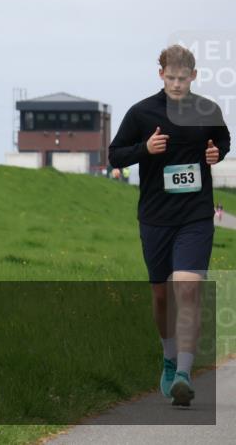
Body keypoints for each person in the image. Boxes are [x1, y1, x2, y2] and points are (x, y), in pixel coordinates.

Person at [108, 44, 230, 407]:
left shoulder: (208, 110)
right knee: (162, 295)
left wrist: (217, 153)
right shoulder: (141, 113)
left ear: (194, 76)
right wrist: (145, 149)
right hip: (155, 218)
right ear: (161, 74)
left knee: (187, 288)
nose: (177, 84)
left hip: (195, 216)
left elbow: (222, 139)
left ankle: (184, 375)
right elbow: (115, 156)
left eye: (183, 78)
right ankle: (169, 359)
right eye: (171, 78)